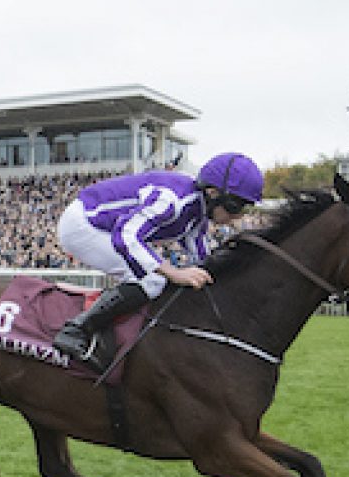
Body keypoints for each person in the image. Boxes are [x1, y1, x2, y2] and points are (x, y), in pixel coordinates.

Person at [50, 152, 263, 369]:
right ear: (212, 193)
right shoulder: (172, 201)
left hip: (103, 225)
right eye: (235, 207)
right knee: (153, 281)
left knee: (155, 276)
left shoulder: (198, 211)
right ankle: (76, 330)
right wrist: (174, 273)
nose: (238, 217)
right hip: (83, 225)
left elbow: (201, 258)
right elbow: (125, 235)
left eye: (244, 208)